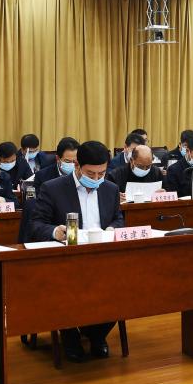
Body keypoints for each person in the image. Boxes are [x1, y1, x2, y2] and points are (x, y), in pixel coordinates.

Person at [29, 141, 123, 362]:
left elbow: (118, 218)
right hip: (66, 261)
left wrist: (112, 229)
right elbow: (35, 225)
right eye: (91, 173)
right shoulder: (53, 188)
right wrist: (55, 232)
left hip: (102, 259)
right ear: (77, 166)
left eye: (102, 173)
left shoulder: (110, 188)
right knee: (66, 288)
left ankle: (96, 334)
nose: (97, 178)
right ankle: (70, 335)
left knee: (124, 286)